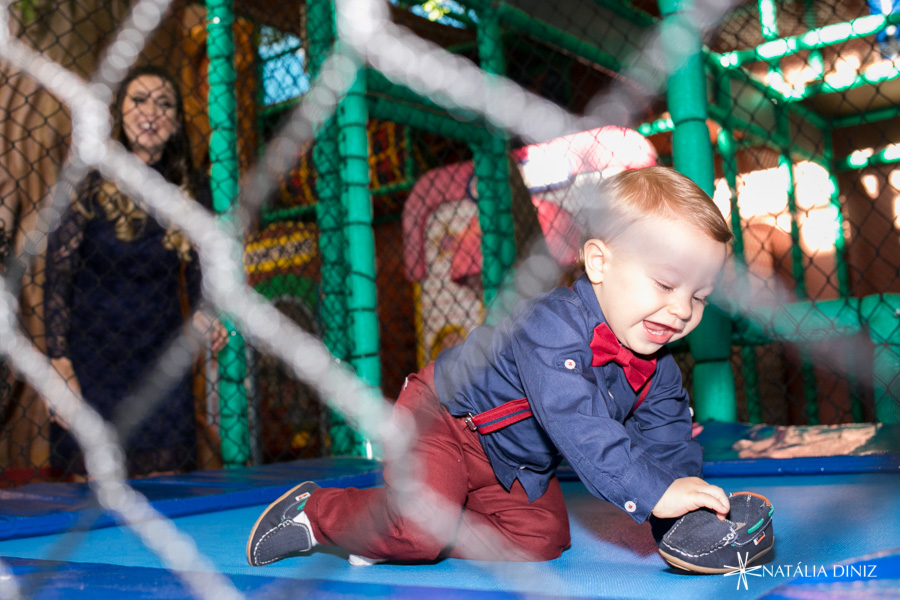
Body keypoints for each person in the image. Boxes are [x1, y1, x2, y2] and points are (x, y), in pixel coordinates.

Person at [247, 166, 736, 567]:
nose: (680, 310)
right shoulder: (549, 325)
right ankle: (317, 513)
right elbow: (578, 423)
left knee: (540, 542)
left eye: (699, 297)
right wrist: (653, 493)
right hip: (441, 420)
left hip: (511, 459)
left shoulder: (659, 367)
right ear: (599, 263)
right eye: (666, 284)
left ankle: (411, 519)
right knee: (418, 534)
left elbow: (668, 438)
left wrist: (680, 510)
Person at [44, 66, 227, 478]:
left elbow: (201, 268)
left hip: (159, 358)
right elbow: (57, 276)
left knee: (166, 490)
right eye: (139, 100)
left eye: (165, 104)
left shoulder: (193, 189)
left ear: (177, 122)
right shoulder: (85, 181)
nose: (152, 111)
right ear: (118, 115)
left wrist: (206, 311)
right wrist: (60, 364)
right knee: (92, 493)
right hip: (90, 361)